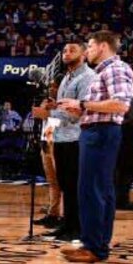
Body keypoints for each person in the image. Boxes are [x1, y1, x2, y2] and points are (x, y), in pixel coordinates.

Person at [58, 29, 132, 264]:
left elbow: (121, 105)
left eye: (89, 46)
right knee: (100, 190)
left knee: (92, 190)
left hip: (101, 133)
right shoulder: (104, 71)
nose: (88, 51)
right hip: (96, 131)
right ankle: (97, 244)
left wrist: (81, 103)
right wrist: (79, 108)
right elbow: (99, 105)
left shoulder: (116, 69)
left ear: (102, 46)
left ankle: (94, 247)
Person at [45, 41, 93, 244]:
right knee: (65, 184)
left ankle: (78, 228)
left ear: (83, 54)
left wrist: (56, 109)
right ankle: (67, 224)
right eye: (64, 50)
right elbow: (63, 108)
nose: (66, 53)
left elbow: (80, 111)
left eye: (72, 50)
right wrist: (52, 110)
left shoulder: (88, 77)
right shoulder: (66, 77)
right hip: (61, 137)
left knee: (74, 185)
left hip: (76, 137)